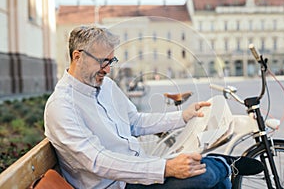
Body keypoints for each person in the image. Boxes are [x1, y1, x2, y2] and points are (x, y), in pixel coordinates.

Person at [44, 25, 263, 189]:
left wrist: (184, 116)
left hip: (139, 168)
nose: (108, 70)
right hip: (115, 184)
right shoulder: (62, 106)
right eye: (103, 61)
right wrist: (165, 168)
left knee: (215, 181)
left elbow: (136, 122)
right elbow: (97, 161)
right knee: (206, 177)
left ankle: (220, 165)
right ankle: (223, 163)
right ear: (77, 57)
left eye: (111, 61)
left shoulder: (106, 86)